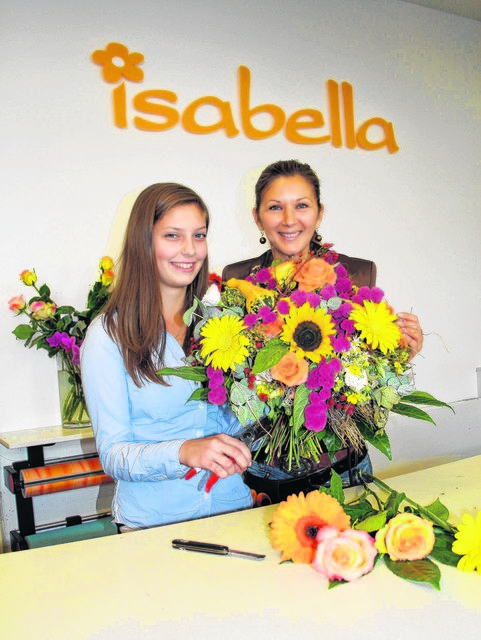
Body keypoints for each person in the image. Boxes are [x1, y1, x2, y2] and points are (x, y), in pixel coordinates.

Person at [222, 160, 423, 490]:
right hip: (263, 469)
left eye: (301, 205)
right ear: (257, 217)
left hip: (342, 465)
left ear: (319, 213)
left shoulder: (357, 275)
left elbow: (368, 370)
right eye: (275, 207)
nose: (289, 220)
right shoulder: (236, 279)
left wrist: (401, 353)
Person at [81, 183, 253, 531]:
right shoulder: (108, 336)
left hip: (234, 512)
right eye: (172, 235)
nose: (190, 250)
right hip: (153, 527)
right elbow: (114, 455)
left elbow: (240, 426)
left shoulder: (225, 325)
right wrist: (184, 451)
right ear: (144, 241)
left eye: (199, 235)